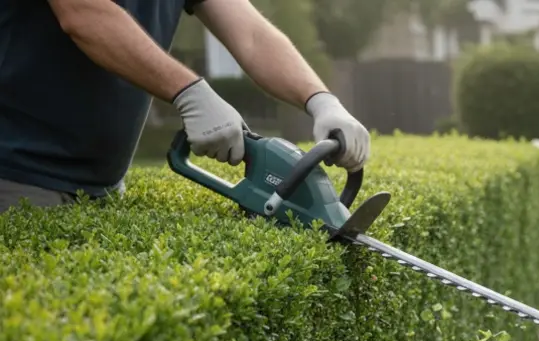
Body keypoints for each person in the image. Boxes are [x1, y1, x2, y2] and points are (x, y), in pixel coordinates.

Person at [0, 0, 370, 214]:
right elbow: (83, 13)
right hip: (18, 174)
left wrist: (321, 101)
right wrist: (189, 92)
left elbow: (252, 35)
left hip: (104, 184)